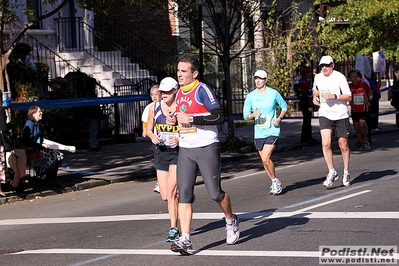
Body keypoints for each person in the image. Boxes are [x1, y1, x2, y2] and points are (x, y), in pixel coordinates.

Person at [171, 56, 239, 255]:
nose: (179, 74)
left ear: (194, 73)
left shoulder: (202, 89)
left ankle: (230, 220)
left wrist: (191, 118)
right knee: (183, 194)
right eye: (178, 71)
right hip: (185, 148)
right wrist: (174, 121)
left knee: (214, 193)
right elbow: (181, 117)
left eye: (184, 71)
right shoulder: (178, 93)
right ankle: (185, 239)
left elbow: (219, 115)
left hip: (207, 146)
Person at [146, 77, 180, 242]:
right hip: (161, 152)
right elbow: (148, 129)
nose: (163, 94)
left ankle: (174, 228)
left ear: (174, 91)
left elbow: (191, 129)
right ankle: (186, 195)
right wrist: (153, 136)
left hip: (177, 153)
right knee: (165, 195)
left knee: (172, 192)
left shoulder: (181, 107)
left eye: (166, 91)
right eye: (161, 91)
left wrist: (179, 137)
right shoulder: (154, 108)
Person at [243, 70, 288, 195]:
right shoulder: (251, 96)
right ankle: (275, 181)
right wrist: (252, 115)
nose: (258, 81)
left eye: (260, 78)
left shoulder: (273, 93)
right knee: (264, 160)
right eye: (256, 78)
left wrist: (279, 118)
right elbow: (245, 115)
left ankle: (274, 181)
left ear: (266, 80)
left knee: (266, 157)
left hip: (272, 130)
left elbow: (284, 106)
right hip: (259, 132)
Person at [313, 56, 352, 187]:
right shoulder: (318, 77)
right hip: (325, 113)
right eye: (322, 66)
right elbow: (315, 89)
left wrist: (334, 96)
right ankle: (332, 171)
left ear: (332, 65)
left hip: (340, 114)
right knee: (325, 143)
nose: (324, 68)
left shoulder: (339, 77)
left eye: (327, 65)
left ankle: (346, 171)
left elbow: (348, 97)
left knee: (343, 144)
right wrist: (314, 96)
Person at [21, 106, 64, 187]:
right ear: (33, 114)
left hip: (38, 148)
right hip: (32, 150)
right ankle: (47, 177)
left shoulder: (37, 125)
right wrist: (40, 145)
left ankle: (52, 178)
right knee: (56, 155)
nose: (41, 113)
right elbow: (27, 140)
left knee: (60, 155)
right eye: (39, 111)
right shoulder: (29, 123)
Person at [141, 84, 162, 193]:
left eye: (156, 94)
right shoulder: (149, 107)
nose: (154, 96)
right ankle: (160, 183)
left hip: (167, 137)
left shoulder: (166, 105)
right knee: (158, 161)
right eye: (152, 94)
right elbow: (146, 121)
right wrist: (145, 130)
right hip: (156, 138)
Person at [348, 70, 372, 151]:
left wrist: (368, 99)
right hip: (354, 109)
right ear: (350, 78)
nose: (355, 78)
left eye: (356, 76)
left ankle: (366, 141)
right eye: (352, 77)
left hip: (363, 109)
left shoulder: (363, 84)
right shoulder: (349, 86)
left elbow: (370, 92)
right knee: (357, 127)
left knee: (362, 125)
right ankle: (361, 142)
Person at [297, 68, 316, 143]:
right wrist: (309, 106)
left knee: (307, 121)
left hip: (306, 103)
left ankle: (308, 137)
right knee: (307, 121)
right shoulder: (303, 82)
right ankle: (306, 137)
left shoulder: (304, 81)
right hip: (305, 104)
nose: (310, 75)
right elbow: (305, 95)